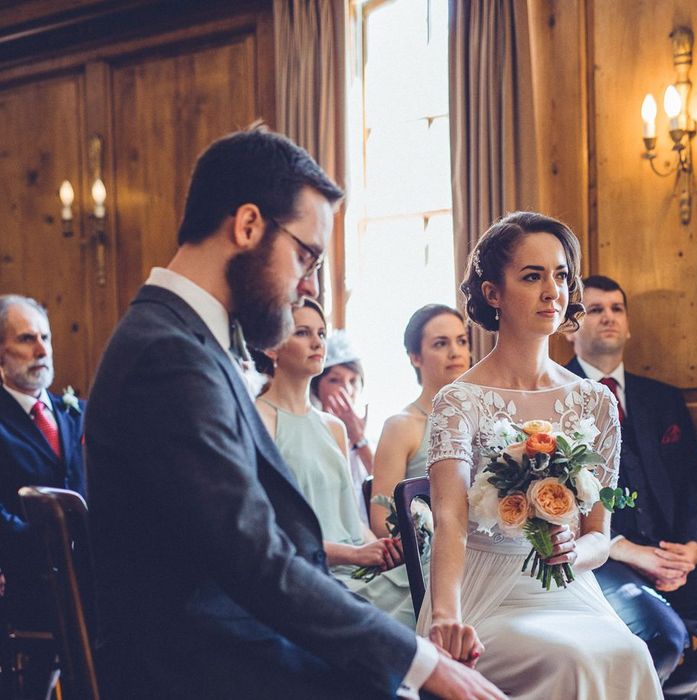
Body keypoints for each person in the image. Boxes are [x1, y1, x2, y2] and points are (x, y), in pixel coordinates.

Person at [85, 125, 504, 700]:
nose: (307, 283)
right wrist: (422, 662)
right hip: (201, 665)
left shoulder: (187, 341)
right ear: (248, 225)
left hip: (240, 639)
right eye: (305, 256)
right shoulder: (168, 354)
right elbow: (253, 556)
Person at [416, 211, 663, 699]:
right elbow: (450, 519)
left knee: (630, 653)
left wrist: (575, 550)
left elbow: (599, 535)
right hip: (483, 593)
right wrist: (446, 617)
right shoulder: (459, 401)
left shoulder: (594, 401)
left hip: (566, 590)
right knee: (571, 660)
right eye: (532, 276)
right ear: (493, 293)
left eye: (561, 275)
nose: (553, 291)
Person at [565, 274, 697, 698]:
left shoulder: (664, 399)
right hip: (600, 560)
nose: (608, 318)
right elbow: (553, 500)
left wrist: (693, 547)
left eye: (617, 309)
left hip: (673, 554)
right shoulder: (552, 394)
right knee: (663, 638)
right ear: (570, 327)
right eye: (595, 309)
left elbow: (694, 483)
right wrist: (623, 548)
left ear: (628, 324)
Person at [257, 299, 415, 627]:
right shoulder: (260, 418)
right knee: (419, 603)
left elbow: (351, 519)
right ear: (273, 347)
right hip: (315, 572)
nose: (317, 342)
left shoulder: (334, 427)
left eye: (321, 333)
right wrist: (354, 555)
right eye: (302, 333)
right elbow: (270, 530)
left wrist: (382, 548)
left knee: (432, 580)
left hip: (359, 565)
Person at [0, 294, 87, 623]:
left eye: (45, 337)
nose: (42, 350)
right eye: (26, 339)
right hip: (27, 577)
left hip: (89, 572)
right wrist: (50, 546)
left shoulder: (76, 411)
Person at [371, 305, 470, 538]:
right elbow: (381, 521)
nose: (455, 352)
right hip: (426, 561)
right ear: (415, 357)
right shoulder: (401, 426)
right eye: (440, 343)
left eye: (462, 341)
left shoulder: (488, 419)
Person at [311, 329, 372, 521]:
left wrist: (359, 439)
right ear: (317, 386)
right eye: (334, 380)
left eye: (353, 381)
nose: (346, 389)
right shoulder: (310, 430)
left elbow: (386, 489)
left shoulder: (371, 435)